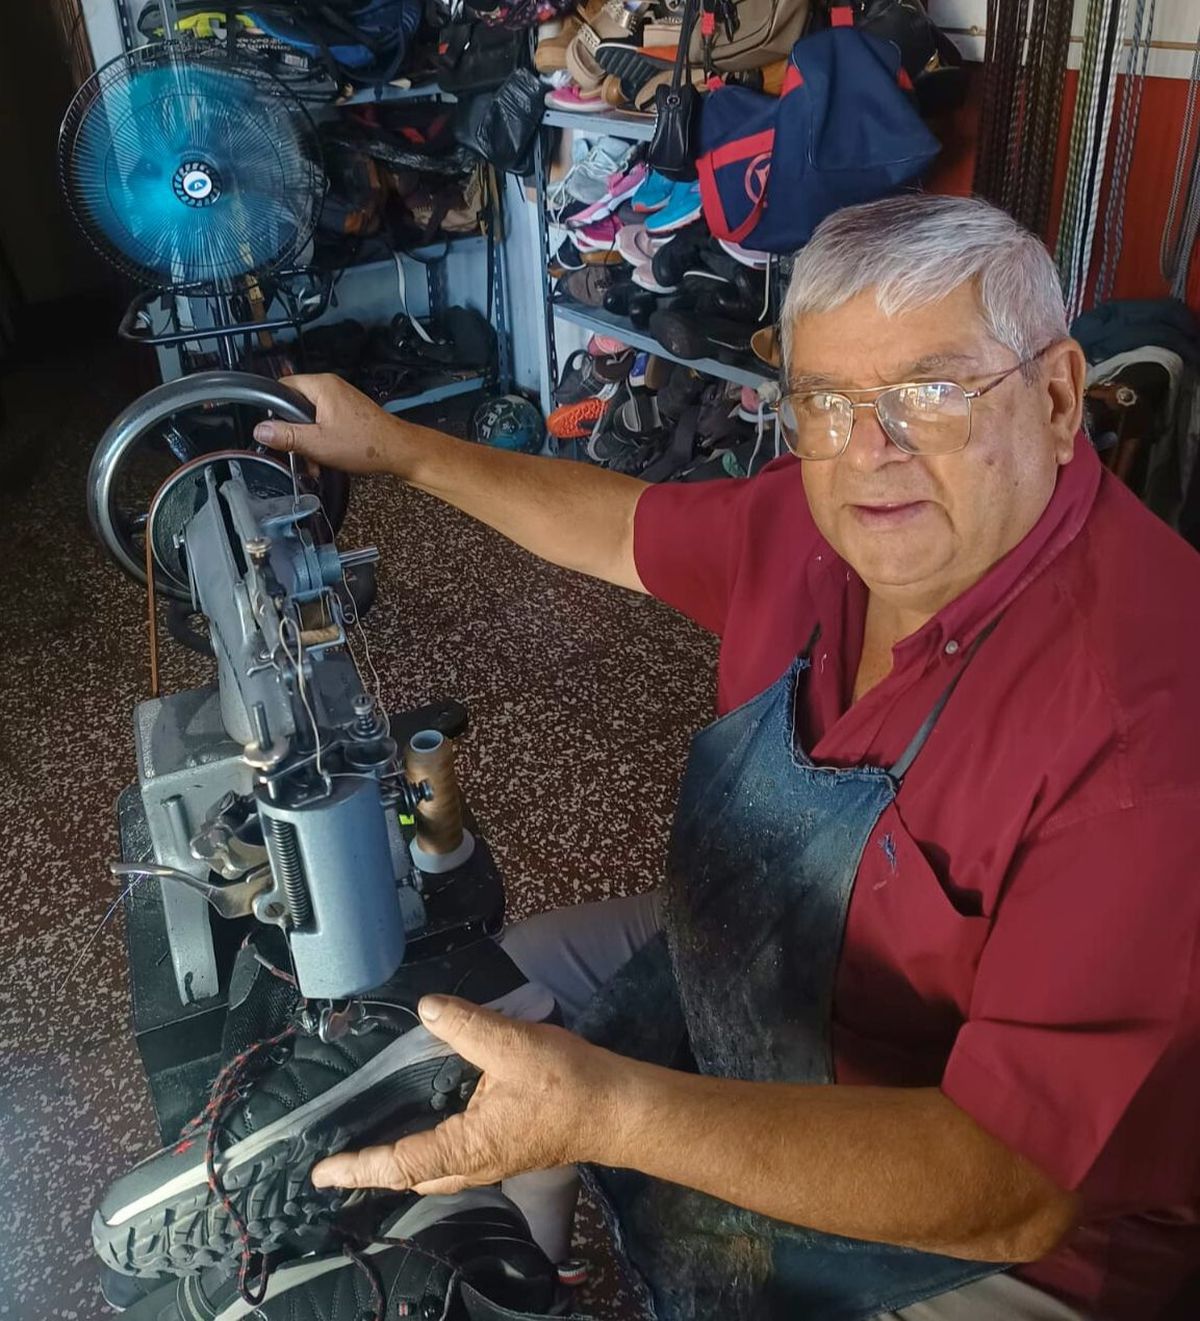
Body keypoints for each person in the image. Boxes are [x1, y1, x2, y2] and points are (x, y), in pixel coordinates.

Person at [251, 195, 1200, 1321]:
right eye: (829, 402)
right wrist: (400, 449)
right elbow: (619, 527)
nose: (869, 454)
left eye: (932, 395)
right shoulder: (823, 527)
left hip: (1007, 1237)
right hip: (785, 975)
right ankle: (518, 1279)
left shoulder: (1149, 732)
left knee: (591, 1100)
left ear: (1054, 398)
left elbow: (1008, 1185)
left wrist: (615, 1109)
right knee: (494, 1004)